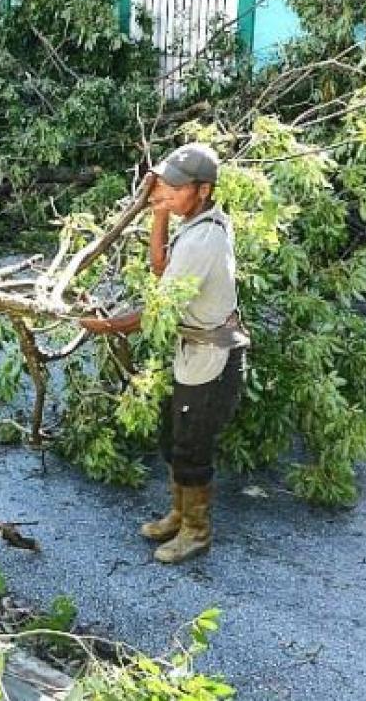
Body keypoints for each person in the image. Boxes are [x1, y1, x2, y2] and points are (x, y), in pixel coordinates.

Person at [79, 143, 248, 564]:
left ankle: (197, 531)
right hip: (193, 350)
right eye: (164, 183)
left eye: (176, 186)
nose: (166, 191)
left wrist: (106, 326)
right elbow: (160, 268)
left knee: (192, 448)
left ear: (204, 190)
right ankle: (178, 513)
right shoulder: (195, 222)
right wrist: (157, 211)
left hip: (213, 358)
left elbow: (158, 309)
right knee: (174, 440)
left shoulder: (204, 239)